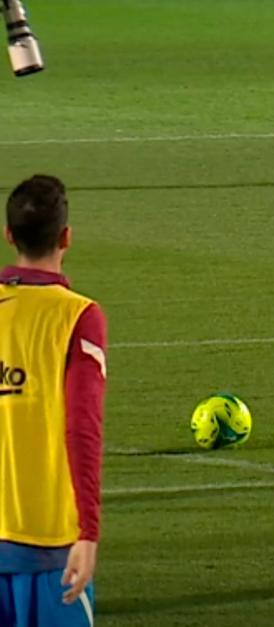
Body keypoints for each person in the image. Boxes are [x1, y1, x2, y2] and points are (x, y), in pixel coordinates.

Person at [1, 175, 107, 626]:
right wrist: (88, 532)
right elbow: (83, 427)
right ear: (66, 237)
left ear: (9, 236)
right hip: (47, 547)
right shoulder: (78, 317)